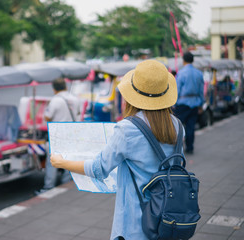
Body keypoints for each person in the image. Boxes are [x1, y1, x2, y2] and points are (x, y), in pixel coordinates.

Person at [50, 60, 183, 240]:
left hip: (137, 222)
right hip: (170, 216)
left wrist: (61, 162)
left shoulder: (128, 129)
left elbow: (98, 169)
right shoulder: (177, 125)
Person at [35, 78, 81, 194]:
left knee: (53, 161)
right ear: (65, 86)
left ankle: (49, 187)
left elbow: (47, 117)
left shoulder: (55, 100)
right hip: (71, 133)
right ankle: (66, 182)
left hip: (58, 134)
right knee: (69, 159)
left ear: (54, 88)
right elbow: (79, 114)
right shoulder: (75, 99)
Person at [173, 51, 204, 154]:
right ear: (193, 60)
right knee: (191, 126)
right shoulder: (199, 73)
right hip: (195, 103)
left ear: (184, 60)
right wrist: (200, 104)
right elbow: (201, 90)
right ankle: (190, 147)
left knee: (179, 127)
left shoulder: (181, 73)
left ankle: (178, 148)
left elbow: (177, 89)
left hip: (182, 103)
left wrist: (174, 103)